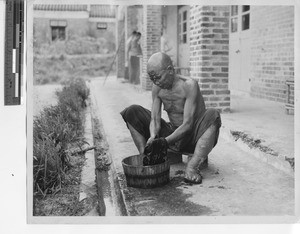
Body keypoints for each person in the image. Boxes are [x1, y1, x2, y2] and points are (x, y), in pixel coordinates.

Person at [120, 52, 221, 184]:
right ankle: (145, 157)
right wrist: (152, 138)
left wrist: (164, 142)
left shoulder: (189, 85)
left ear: (170, 70)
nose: (156, 82)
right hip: (172, 135)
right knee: (132, 111)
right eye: (152, 78)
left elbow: (188, 124)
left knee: (213, 115)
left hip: (193, 138)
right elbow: (155, 119)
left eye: (158, 77)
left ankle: (192, 167)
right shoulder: (157, 87)